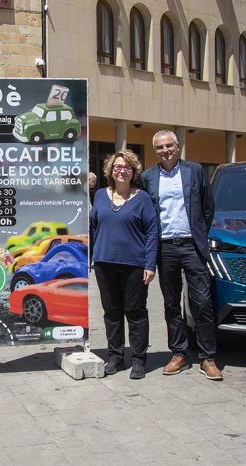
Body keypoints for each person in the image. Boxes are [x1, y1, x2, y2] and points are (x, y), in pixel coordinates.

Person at [140, 130, 222, 381]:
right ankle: (179, 352)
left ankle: (207, 357)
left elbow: (208, 207)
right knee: (171, 304)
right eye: (159, 147)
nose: (164, 151)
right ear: (155, 150)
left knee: (202, 303)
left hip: (192, 246)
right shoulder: (148, 177)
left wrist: (199, 234)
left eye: (168, 146)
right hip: (166, 248)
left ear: (178, 146)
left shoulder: (195, 171)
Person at [90, 150, 158, 379]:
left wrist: (150, 264)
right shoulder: (100, 195)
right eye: (118, 166)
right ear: (110, 170)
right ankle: (116, 357)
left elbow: (152, 232)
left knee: (136, 312)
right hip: (104, 263)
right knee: (112, 312)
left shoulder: (143, 198)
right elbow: (92, 227)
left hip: (135, 265)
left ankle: (138, 359)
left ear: (134, 171)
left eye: (127, 167)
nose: (122, 170)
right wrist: (90, 256)